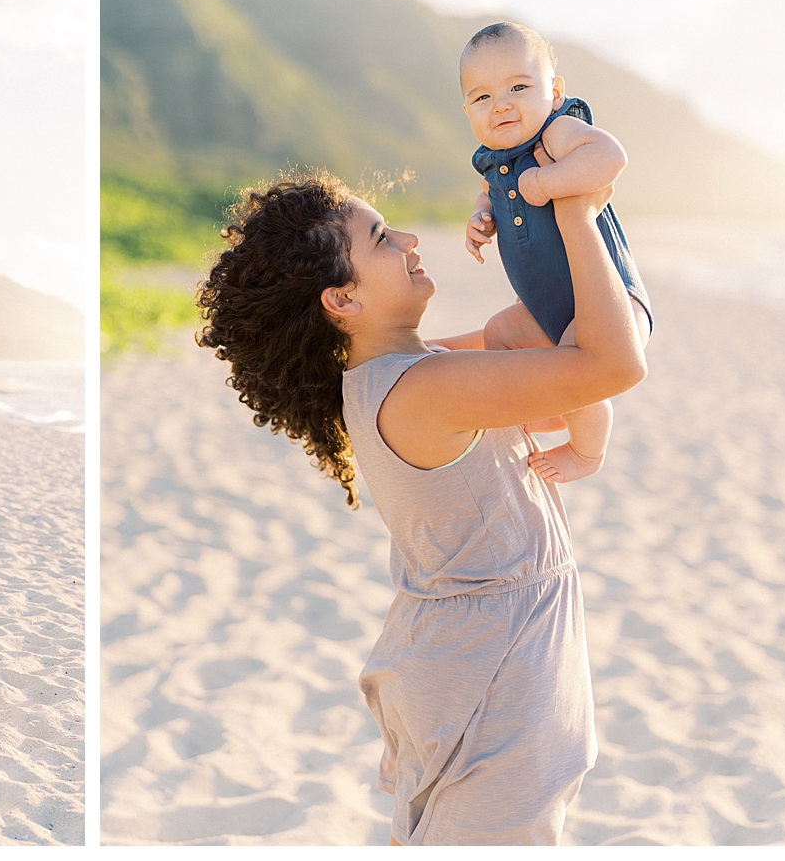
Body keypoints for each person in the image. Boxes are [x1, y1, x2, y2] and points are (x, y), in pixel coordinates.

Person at [196, 171, 646, 845]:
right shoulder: (424, 388)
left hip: (475, 652)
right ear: (342, 299)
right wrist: (580, 212)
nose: (406, 238)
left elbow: (548, 363)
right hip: (495, 673)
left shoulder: (402, 373)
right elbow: (614, 364)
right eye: (380, 238)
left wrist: (533, 224)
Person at [459, 21, 652, 483]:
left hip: (610, 303)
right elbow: (491, 190)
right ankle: (549, 408)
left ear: (554, 91)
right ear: (466, 110)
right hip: (551, 309)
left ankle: (588, 449)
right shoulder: (492, 157)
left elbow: (610, 157)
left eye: (519, 87)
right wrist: (481, 215)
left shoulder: (556, 133)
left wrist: (548, 181)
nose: (501, 103)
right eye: (482, 97)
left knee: (574, 361)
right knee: (500, 334)